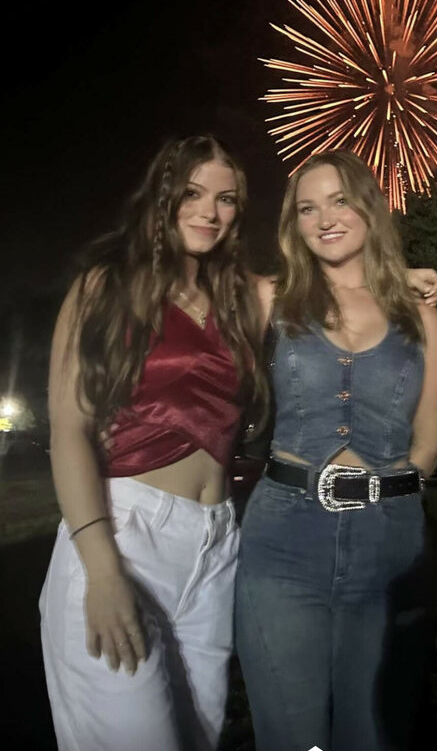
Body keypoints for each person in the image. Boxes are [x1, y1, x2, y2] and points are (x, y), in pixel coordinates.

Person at [39, 135, 265, 751]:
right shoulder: (105, 287)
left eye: (226, 199)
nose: (209, 211)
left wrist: (400, 278)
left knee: (198, 739)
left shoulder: (240, 298)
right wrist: (102, 569)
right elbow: (70, 428)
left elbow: (328, 292)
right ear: (162, 196)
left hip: (215, 547)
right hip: (124, 536)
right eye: (192, 193)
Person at [235, 150, 437, 751]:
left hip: (388, 543)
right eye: (307, 208)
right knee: (292, 735)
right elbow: (192, 282)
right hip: (283, 540)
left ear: (369, 208)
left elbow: (429, 441)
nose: (325, 218)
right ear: (294, 224)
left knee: (373, 733)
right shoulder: (272, 299)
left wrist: (388, 503)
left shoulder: (421, 318)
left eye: (339, 201)